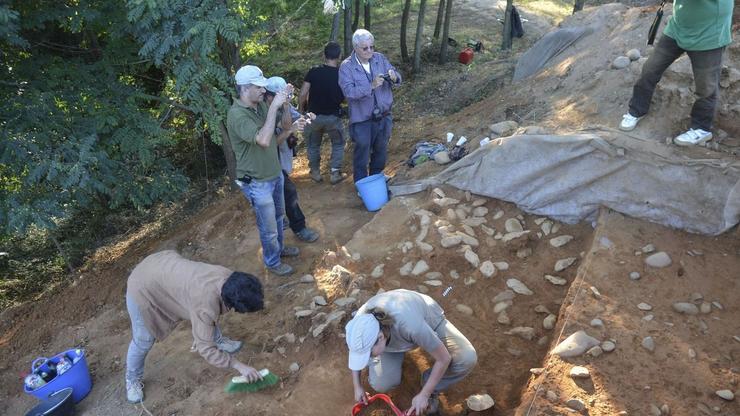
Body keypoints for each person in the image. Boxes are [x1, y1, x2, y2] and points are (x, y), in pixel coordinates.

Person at [124, 250, 265, 403]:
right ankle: (132, 380)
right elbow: (205, 348)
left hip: (161, 265)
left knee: (206, 314)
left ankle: (216, 339)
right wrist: (239, 365)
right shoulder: (204, 303)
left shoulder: (231, 279)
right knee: (143, 340)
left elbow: (213, 308)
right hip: (143, 288)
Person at [227, 65, 308, 276]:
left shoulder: (259, 106)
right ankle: (272, 261)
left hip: (274, 173)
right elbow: (263, 140)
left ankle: (279, 250)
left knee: (279, 218)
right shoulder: (237, 115)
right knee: (269, 226)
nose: (264, 91)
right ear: (245, 88)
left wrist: (286, 103)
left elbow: (278, 134)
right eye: (259, 87)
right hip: (256, 181)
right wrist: (273, 107)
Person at [345, 289, 477, 416]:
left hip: (424, 319)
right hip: (392, 340)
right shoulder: (358, 326)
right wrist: (357, 386)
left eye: (368, 354)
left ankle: (431, 389)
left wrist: (425, 394)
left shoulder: (411, 326)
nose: (366, 358)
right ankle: (394, 354)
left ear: (380, 337)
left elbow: (444, 359)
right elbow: (355, 349)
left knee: (466, 358)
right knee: (381, 384)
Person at [619, 0, 733, 146]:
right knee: (650, 70)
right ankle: (636, 110)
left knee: (706, 87)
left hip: (709, 35)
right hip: (678, 28)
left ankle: (701, 129)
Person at [339, 29, 401, 183]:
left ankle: (376, 178)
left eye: (372, 47)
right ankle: (361, 183)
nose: (370, 51)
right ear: (355, 47)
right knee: (362, 151)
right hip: (362, 119)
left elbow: (397, 76)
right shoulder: (346, 66)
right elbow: (349, 92)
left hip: (384, 115)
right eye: (365, 48)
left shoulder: (380, 58)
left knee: (381, 150)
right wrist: (371, 86)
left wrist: (395, 77)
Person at [264, 76, 319, 243]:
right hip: (266, 162)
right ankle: (299, 227)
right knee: (289, 193)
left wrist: (306, 116)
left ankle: (281, 220)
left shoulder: (282, 106)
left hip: (280, 159)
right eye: (280, 95)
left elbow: (295, 121)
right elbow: (273, 142)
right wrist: (289, 130)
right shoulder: (263, 114)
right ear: (269, 97)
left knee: (280, 193)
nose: (283, 98)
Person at [299, 41, 347, 184]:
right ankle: (334, 173)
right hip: (333, 117)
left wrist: (302, 110)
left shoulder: (314, 71)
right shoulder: (342, 74)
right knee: (338, 144)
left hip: (313, 117)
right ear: (339, 56)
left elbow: (302, 94)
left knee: (313, 145)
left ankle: (315, 172)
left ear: (323, 55)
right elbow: (346, 96)